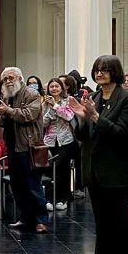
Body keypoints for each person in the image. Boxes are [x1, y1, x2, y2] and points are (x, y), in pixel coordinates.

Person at [71, 55, 128, 254]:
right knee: (101, 221)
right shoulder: (94, 97)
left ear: (115, 72)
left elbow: (123, 134)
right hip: (94, 169)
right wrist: (80, 120)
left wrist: (95, 116)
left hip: (117, 170)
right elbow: (84, 136)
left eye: (105, 70)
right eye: (97, 70)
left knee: (119, 221)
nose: (100, 74)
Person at [0, 67, 49, 233]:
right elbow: (8, 119)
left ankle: (41, 220)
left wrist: (8, 111)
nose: (8, 81)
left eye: (11, 78)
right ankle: (26, 217)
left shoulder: (31, 95)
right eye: (5, 79)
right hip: (13, 147)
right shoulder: (8, 96)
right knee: (17, 185)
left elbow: (28, 115)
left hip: (28, 147)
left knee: (32, 185)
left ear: (20, 78)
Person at [42, 77, 77, 211]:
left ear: (62, 88)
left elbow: (69, 116)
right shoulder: (44, 103)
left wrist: (56, 106)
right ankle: (50, 199)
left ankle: (63, 198)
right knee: (50, 169)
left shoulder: (68, 101)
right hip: (50, 140)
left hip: (66, 140)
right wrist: (50, 109)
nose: (54, 89)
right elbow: (43, 123)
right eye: (52, 87)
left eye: (57, 86)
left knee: (62, 168)